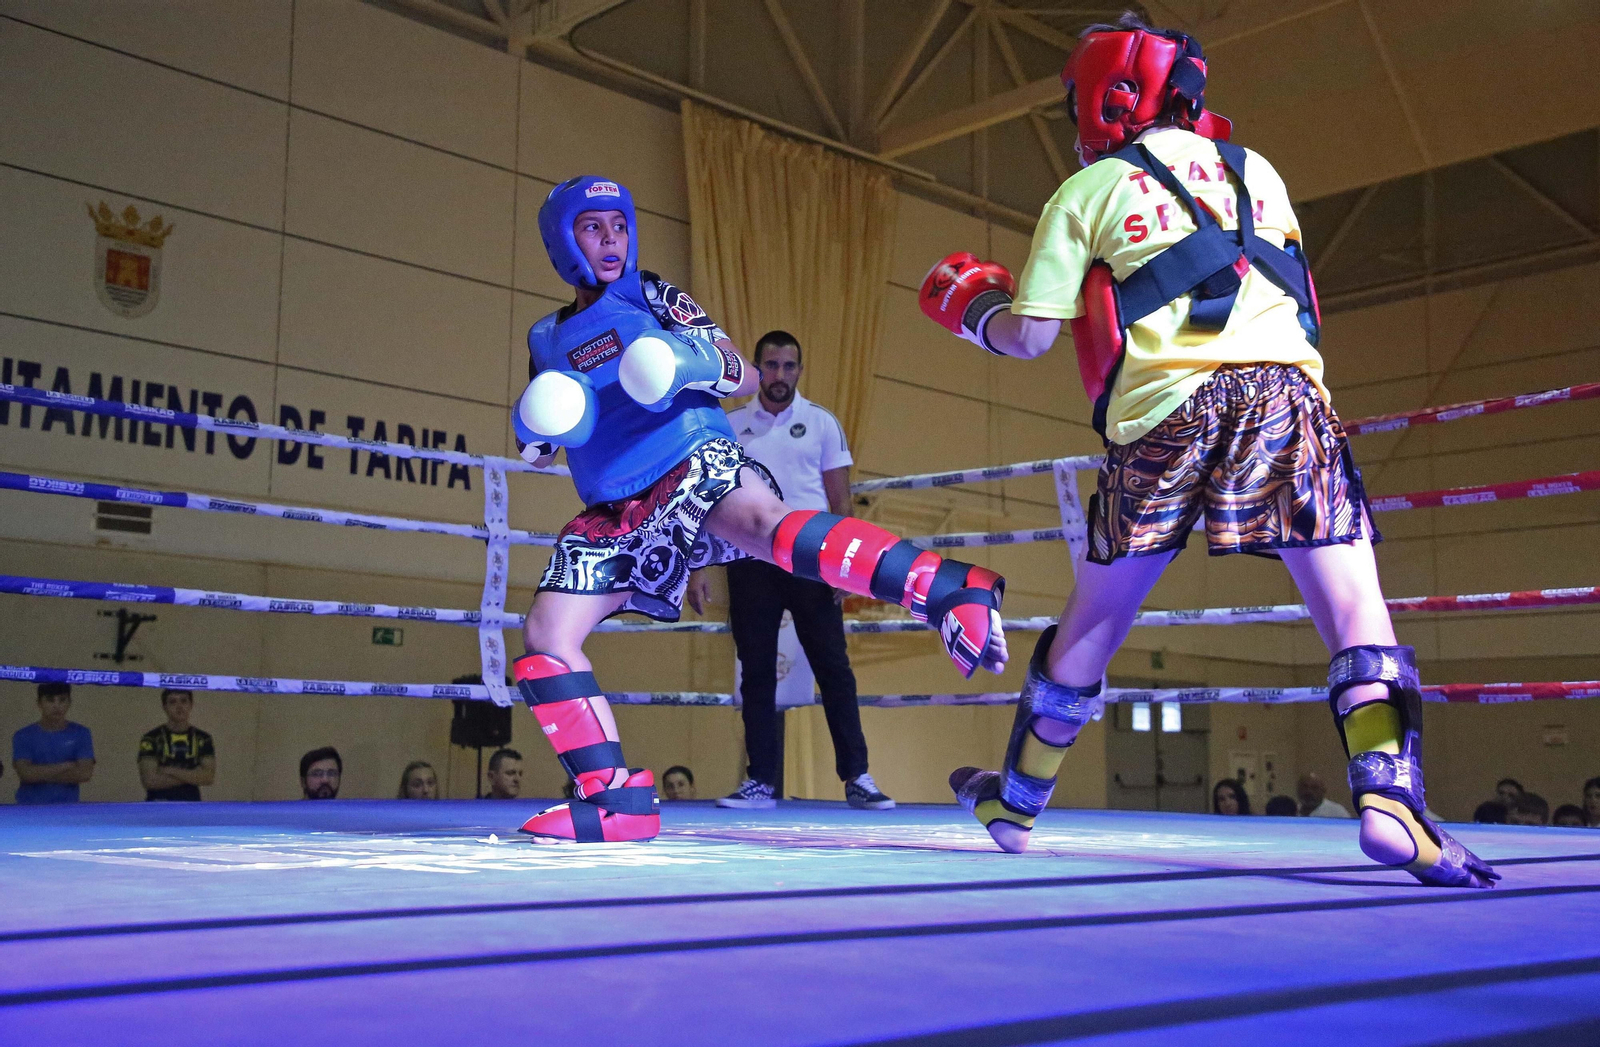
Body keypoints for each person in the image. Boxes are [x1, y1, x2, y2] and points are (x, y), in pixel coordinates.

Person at [922, 15, 1497, 888]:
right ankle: (1389, 800)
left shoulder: (1086, 191)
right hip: (1284, 398)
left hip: (1162, 416)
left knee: (1093, 621)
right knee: (1353, 605)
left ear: (1107, 97)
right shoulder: (1259, 171)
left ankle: (1018, 802)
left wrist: (975, 310)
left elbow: (1032, 338)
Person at [504, 175, 1009, 843]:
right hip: (613, 505)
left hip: (688, 457)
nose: (611, 240)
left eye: (619, 226)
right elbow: (540, 445)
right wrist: (537, 426)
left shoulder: (651, 293)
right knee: (547, 636)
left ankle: (947, 588)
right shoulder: (545, 337)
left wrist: (679, 363)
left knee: (769, 529)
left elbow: (739, 370)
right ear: (563, 241)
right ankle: (614, 801)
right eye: (593, 228)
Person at [691, 330, 892, 812]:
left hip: (813, 558)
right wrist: (698, 564)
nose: (779, 375)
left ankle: (858, 777)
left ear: (799, 370)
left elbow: (840, 500)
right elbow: (705, 497)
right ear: (757, 369)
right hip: (749, 558)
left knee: (833, 667)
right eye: (771, 365)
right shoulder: (728, 425)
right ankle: (760, 780)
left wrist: (847, 566)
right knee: (755, 671)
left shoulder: (822, 422)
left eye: (788, 366)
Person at [12, 682, 95, 804]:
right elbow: (26, 774)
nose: (57, 706)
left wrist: (38, 774)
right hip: (29, 808)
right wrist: (65, 766)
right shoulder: (23, 735)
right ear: (39, 703)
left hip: (67, 808)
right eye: (50, 700)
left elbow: (85, 774)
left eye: (62, 700)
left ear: (69, 703)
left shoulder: (81, 733)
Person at [137, 688, 216, 801]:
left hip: (191, 805)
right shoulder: (151, 738)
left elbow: (208, 777)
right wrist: (194, 775)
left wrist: (169, 770)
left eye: (183, 701)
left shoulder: (203, 738)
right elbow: (149, 781)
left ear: (191, 704)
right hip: (158, 804)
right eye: (172, 702)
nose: (179, 707)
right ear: (164, 707)